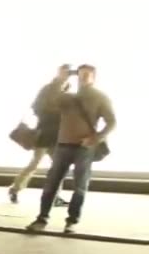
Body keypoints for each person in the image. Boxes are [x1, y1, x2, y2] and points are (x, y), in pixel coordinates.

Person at [28, 64, 116, 233]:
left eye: (87, 75)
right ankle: (41, 219)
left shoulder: (100, 97)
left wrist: (95, 138)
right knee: (51, 183)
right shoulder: (66, 97)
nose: (83, 77)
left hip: (84, 148)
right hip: (62, 145)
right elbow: (43, 104)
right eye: (81, 74)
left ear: (94, 77)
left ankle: (72, 221)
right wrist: (59, 80)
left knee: (80, 185)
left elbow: (112, 122)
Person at [9, 64, 71, 206]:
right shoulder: (49, 88)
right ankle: (15, 189)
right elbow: (37, 107)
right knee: (36, 164)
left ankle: (54, 195)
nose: (67, 75)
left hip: (57, 134)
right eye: (64, 72)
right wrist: (55, 111)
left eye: (69, 73)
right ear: (59, 73)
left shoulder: (66, 89)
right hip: (45, 132)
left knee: (56, 166)